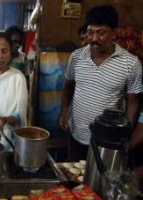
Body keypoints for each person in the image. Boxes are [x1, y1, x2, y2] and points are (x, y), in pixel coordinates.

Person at [59, 5, 143, 161]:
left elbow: (133, 102)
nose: (94, 39)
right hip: (76, 133)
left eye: (101, 33)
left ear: (114, 33)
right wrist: (64, 110)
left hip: (107, 141)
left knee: (98, 181)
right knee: (74, 178)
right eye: (90, 32)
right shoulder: (76, 57)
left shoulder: (130, 63)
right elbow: (68, 86)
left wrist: (125, 132)